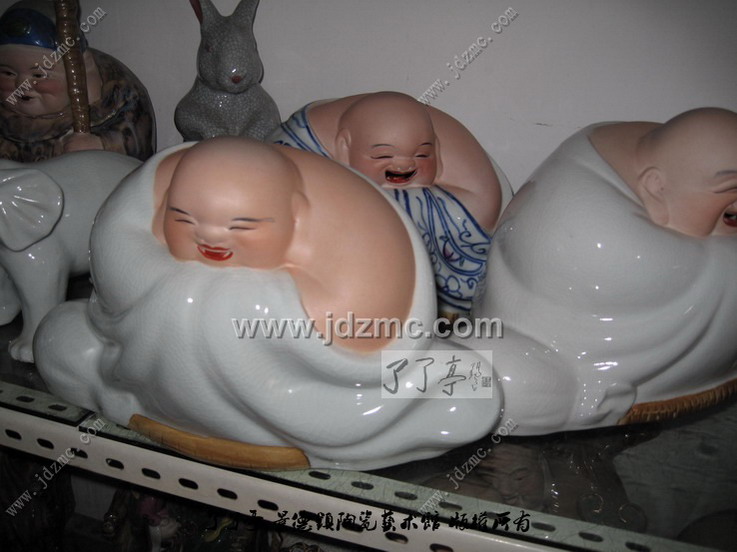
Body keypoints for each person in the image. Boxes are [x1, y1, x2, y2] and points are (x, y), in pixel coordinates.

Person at [465, 107, 737, 436]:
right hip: (532, 353)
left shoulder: (602, 153)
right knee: (510, 386)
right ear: (656, 186)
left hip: (518, 352)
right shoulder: (605, 234)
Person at [152, 136, 415, 352]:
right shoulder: (148, 205)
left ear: (295, 216)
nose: (210, 237)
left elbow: (355, 330)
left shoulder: (348, 270)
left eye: (241, 227)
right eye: (184, 220)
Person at [270, 91, 503, 317]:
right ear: (344, 149)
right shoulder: (298, 150)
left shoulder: (443, 201)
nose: (404, 165)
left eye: (421, 155)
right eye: (383, 156)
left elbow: (476, 217)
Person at [0, 1, 155, 162]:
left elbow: (137, 141)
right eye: (8, 73)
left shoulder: (120, 98)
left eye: (39, 75)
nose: (21, 84)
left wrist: (102, 144)